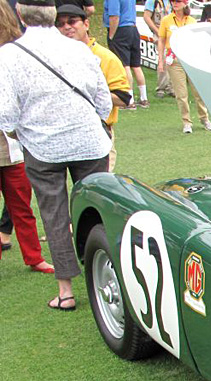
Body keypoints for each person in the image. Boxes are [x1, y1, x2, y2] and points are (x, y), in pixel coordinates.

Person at [0, 0, 111, 310]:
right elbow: (103, 102)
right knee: (98, 209)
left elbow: (5, 115)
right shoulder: (79, 48)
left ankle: (66, 291)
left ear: (20, 14)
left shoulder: (8, 55)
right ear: (53, 16)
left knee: (55, 216)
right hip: (89, 140)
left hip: (42, 146)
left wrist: (21, 132)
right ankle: (107, 273)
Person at [0, 0, 51, 274]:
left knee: (21, 203)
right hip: (9, 137)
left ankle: (34, 256)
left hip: (12, 141)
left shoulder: (14, 52)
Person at [55, 3, 129, 170]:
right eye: (60, 24)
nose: (67, 27)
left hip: (98, 130)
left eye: (72, 21)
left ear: (86, 24)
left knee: (99, 186)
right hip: (64, 132)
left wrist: (87, 92)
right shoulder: (55, 58)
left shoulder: (105, 57)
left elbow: (124, 98)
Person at [158, 0, 211, 133]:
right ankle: (186, 121)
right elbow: (161, 40)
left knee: (198, 92)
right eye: (173, 2)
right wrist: (160, 60)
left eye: (178, 1)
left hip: (190, 59)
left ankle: (204, 118)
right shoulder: (166, 20)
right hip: (175, 60)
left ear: (184, 3)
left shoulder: (192, 22)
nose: (175, 4)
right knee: (181, 94)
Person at [105, 0, 146, 108]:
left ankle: (129, 99)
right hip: (133, 29)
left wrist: (111, 35)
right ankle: (144, 98)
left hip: (121, 30)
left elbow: (114, 16)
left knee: (125, 65)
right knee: (136, 66)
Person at [143, 0, 172, 97]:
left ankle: (171, 87)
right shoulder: (152, 1)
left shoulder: (171, 2)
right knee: (162, 59)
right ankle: (161, 88)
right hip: (159, 34)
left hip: (171, 33)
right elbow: (147, 17)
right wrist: (158, 32)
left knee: (172, 60)